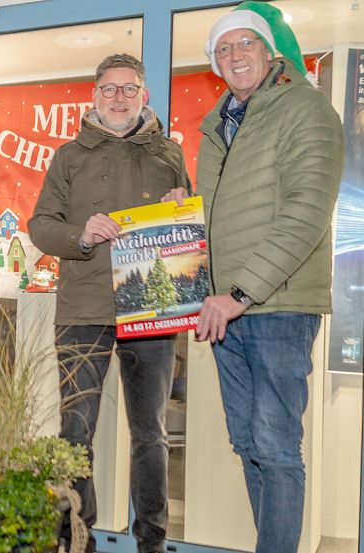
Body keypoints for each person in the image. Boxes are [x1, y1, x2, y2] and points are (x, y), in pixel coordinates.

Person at [194, 4, 343, 552]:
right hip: (224, 310)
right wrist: (184, 209)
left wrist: (238, 293)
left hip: (276, 306)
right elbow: (230, 209)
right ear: (216, 62)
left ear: (268, 50)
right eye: (223, 48)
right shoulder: (220, 124)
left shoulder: (305, 108)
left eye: (244, 43)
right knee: (247, 443)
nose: (234, 55)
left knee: (276, 446)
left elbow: (305, 213)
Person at [28, 53, 190, 553]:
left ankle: (152, 541)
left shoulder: (169, 154)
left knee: (151, 435)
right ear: (94, 97)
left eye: (129, 88)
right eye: (109, 89)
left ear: (144, 96)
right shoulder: (68, 156)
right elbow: (40, 227)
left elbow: (188, 232)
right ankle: (77, 535)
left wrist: (181, 208)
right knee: (75, 433)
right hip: (84, 308)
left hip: (150, 307)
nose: (119, 97)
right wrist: (81, 234)